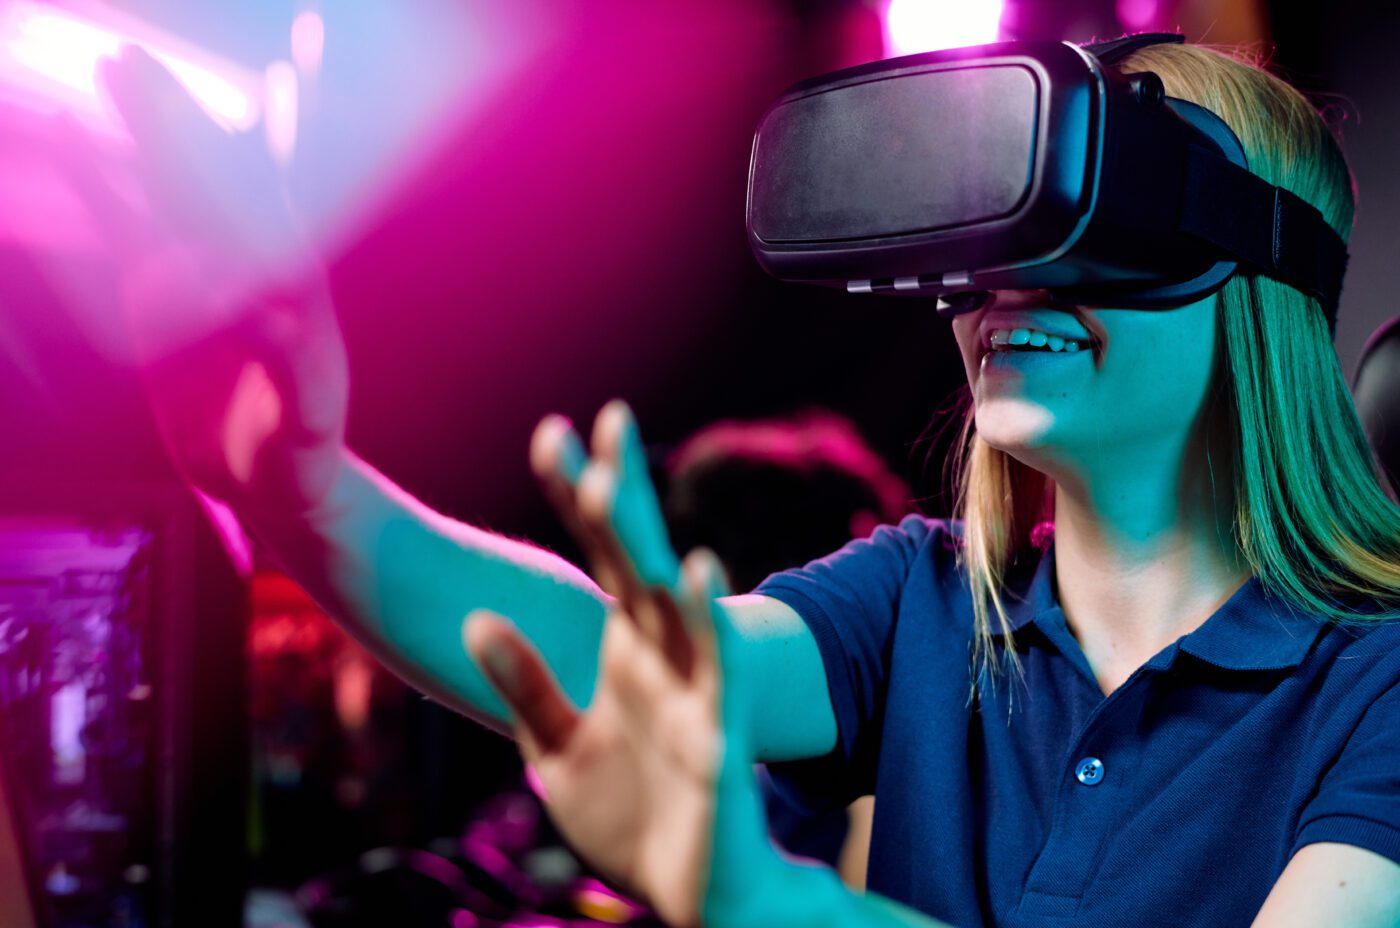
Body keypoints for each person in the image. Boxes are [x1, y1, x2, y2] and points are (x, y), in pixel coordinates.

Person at [88, 35, 1400, 928]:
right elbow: (614, 662)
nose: (1010, 285)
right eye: (986, 228)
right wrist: (303, 490)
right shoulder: (924, 600)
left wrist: (758, 901)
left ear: (1257, 286)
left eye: (1084, 223)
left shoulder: (1378, 685)